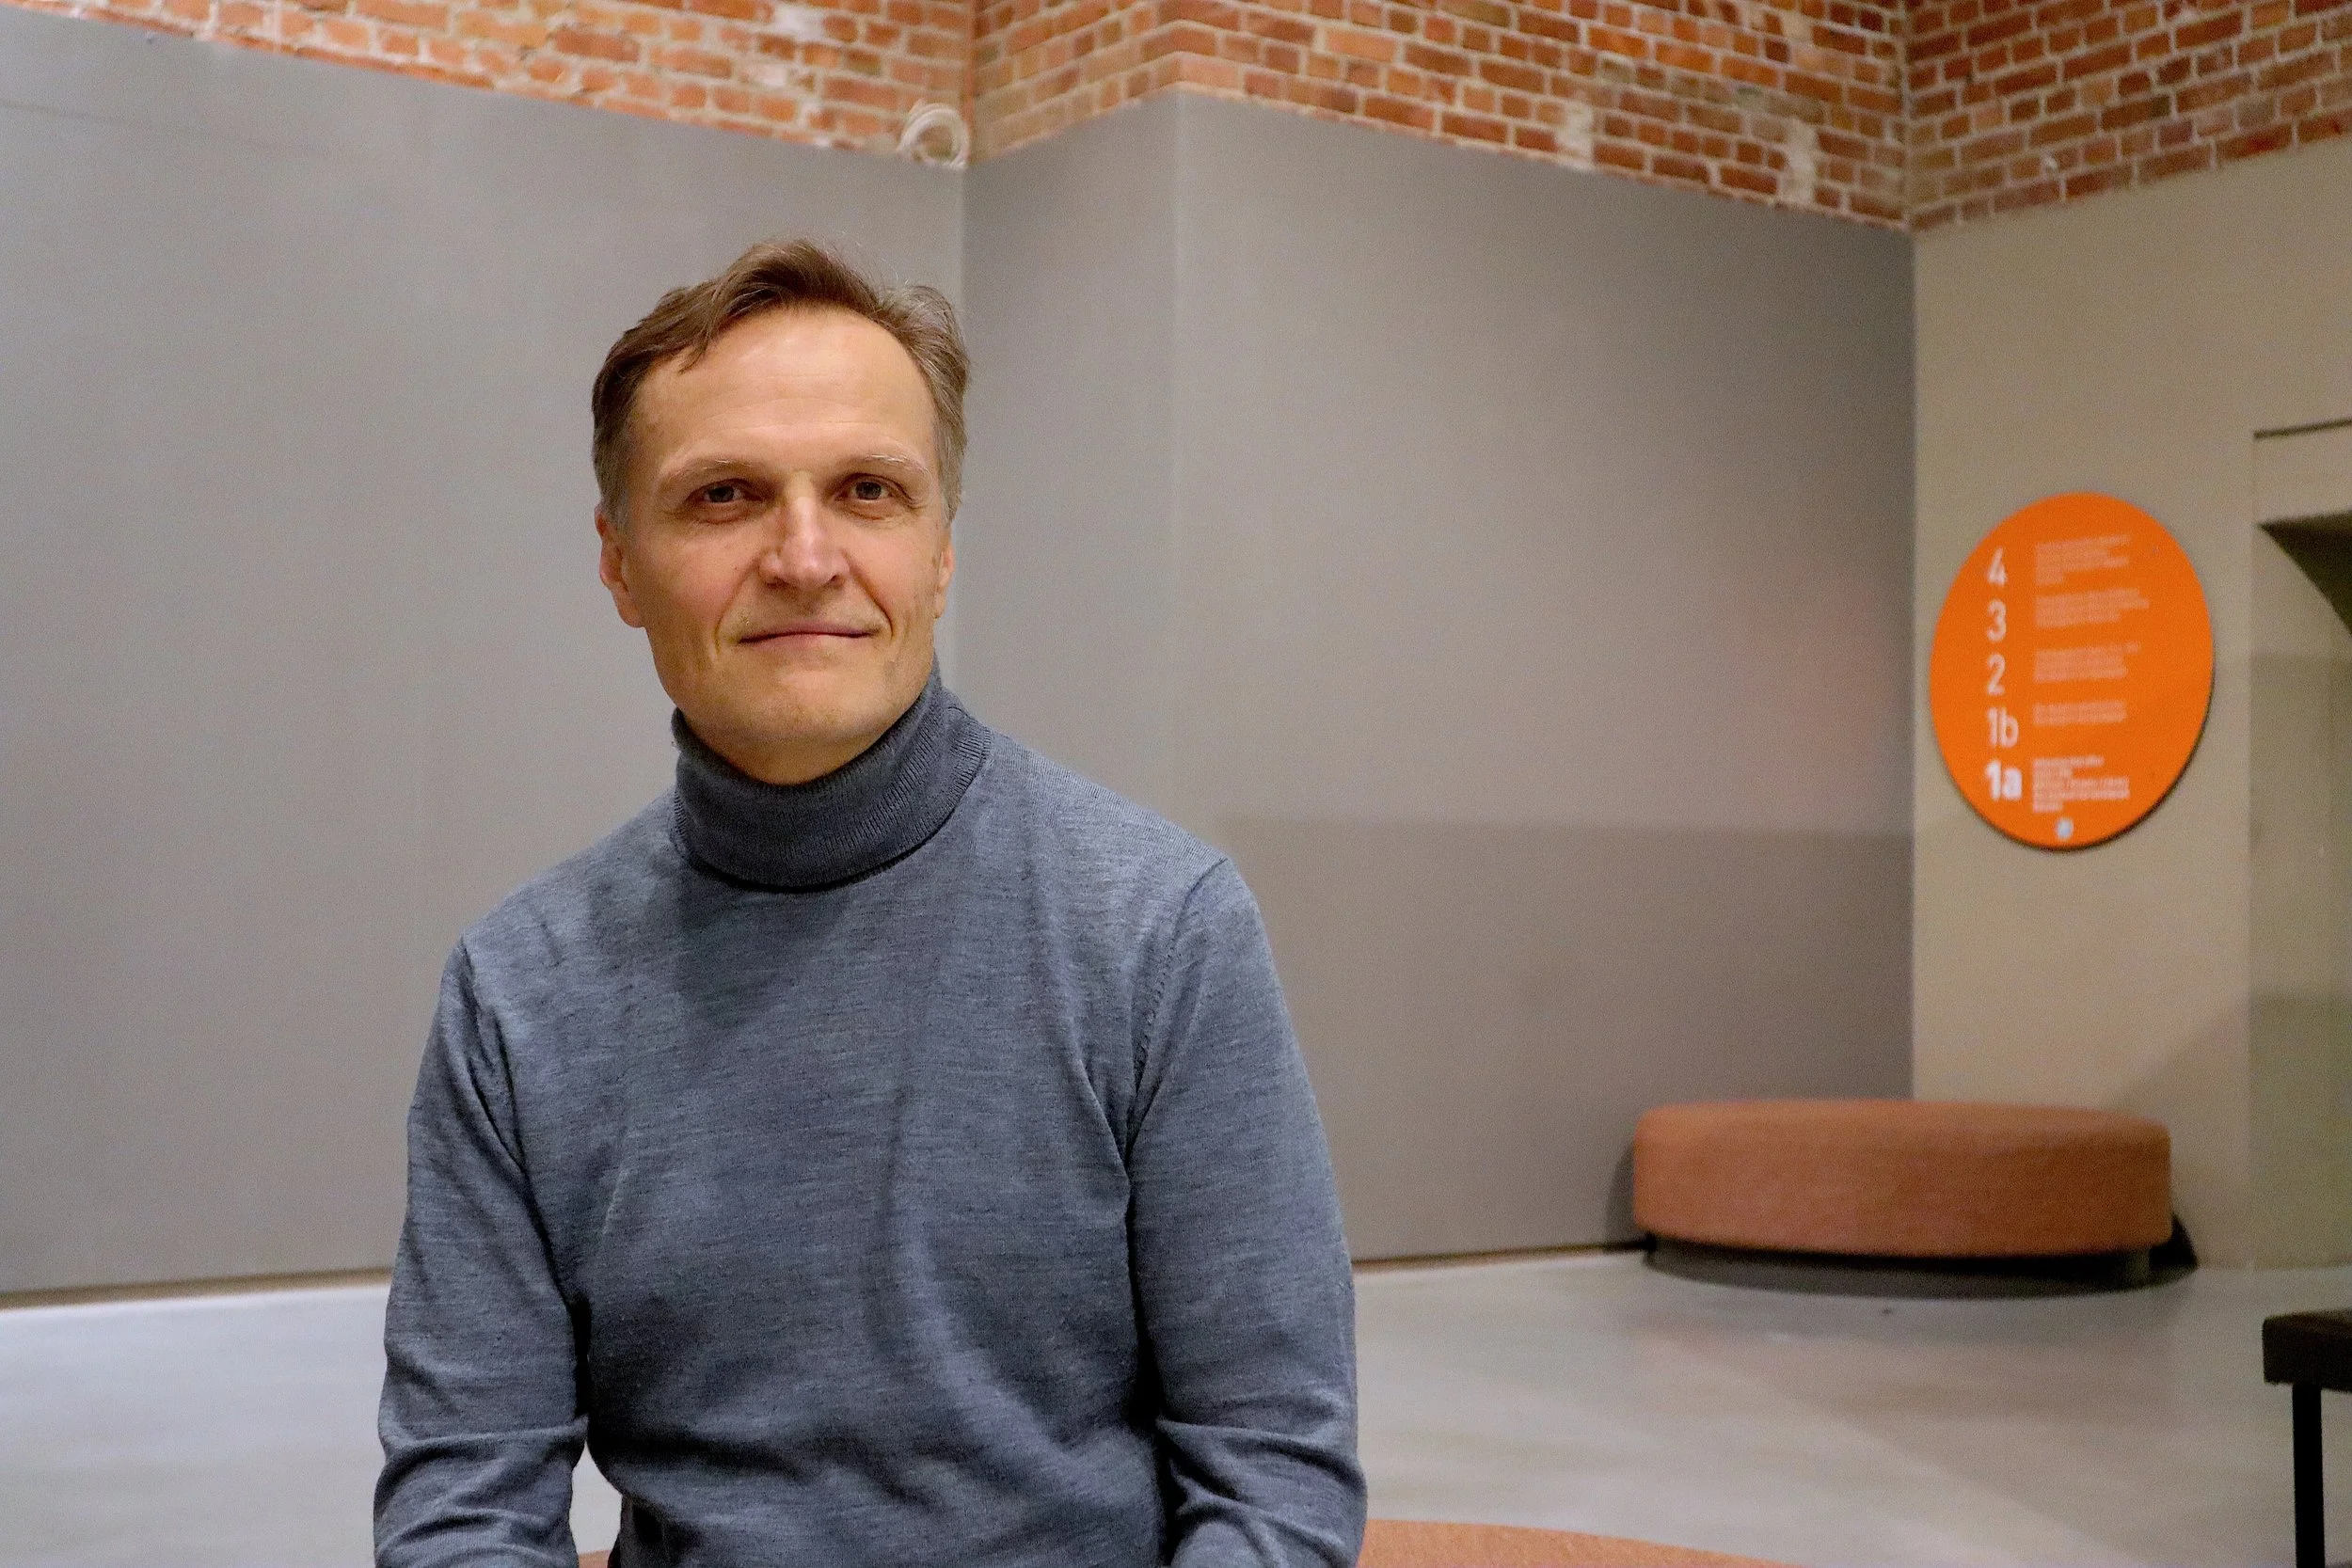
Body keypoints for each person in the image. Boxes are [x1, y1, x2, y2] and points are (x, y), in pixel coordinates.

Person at [373, 239, 1365, 1568]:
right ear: (618, 562)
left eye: (868, 491)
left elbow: (1275, 1476)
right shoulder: (519, 991)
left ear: (940, 551)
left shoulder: (1161, 930)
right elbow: (463, 1510)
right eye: (724, 495)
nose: (804, 555)